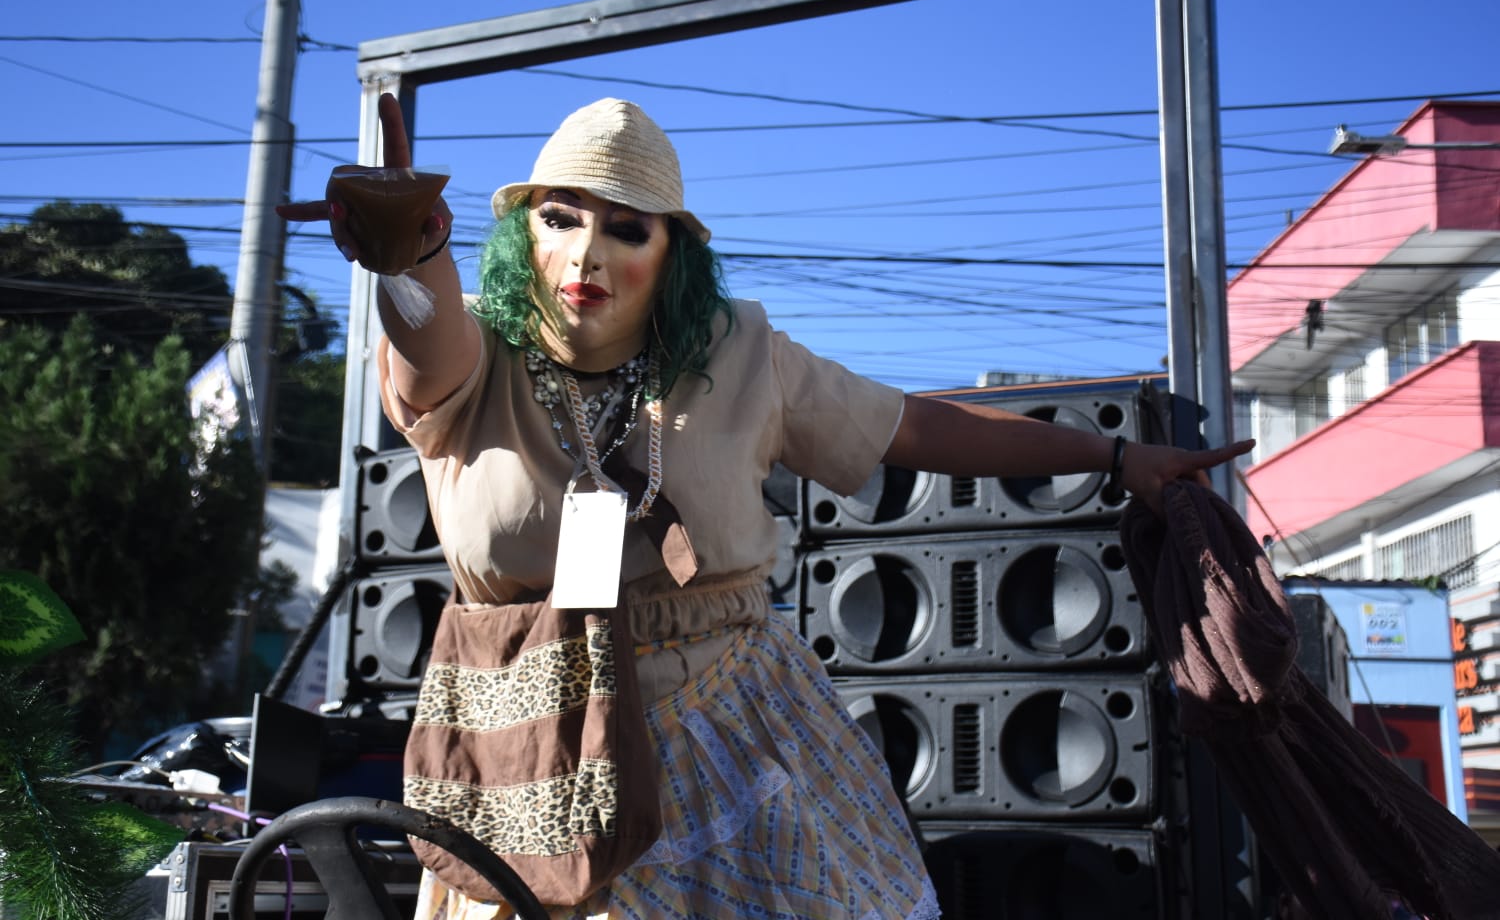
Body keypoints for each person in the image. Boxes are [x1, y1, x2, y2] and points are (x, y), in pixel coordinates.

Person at [280, 94, 1253, 919]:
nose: (589, 250)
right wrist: (411, 257)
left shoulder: (741, 353)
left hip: (727, 725)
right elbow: (425, 333)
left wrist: (1114, 454)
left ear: (672, 254)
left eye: (628, 227)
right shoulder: (475, 360)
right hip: (527, 741)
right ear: (523, 229)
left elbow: (909, 427)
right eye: (562, 216)